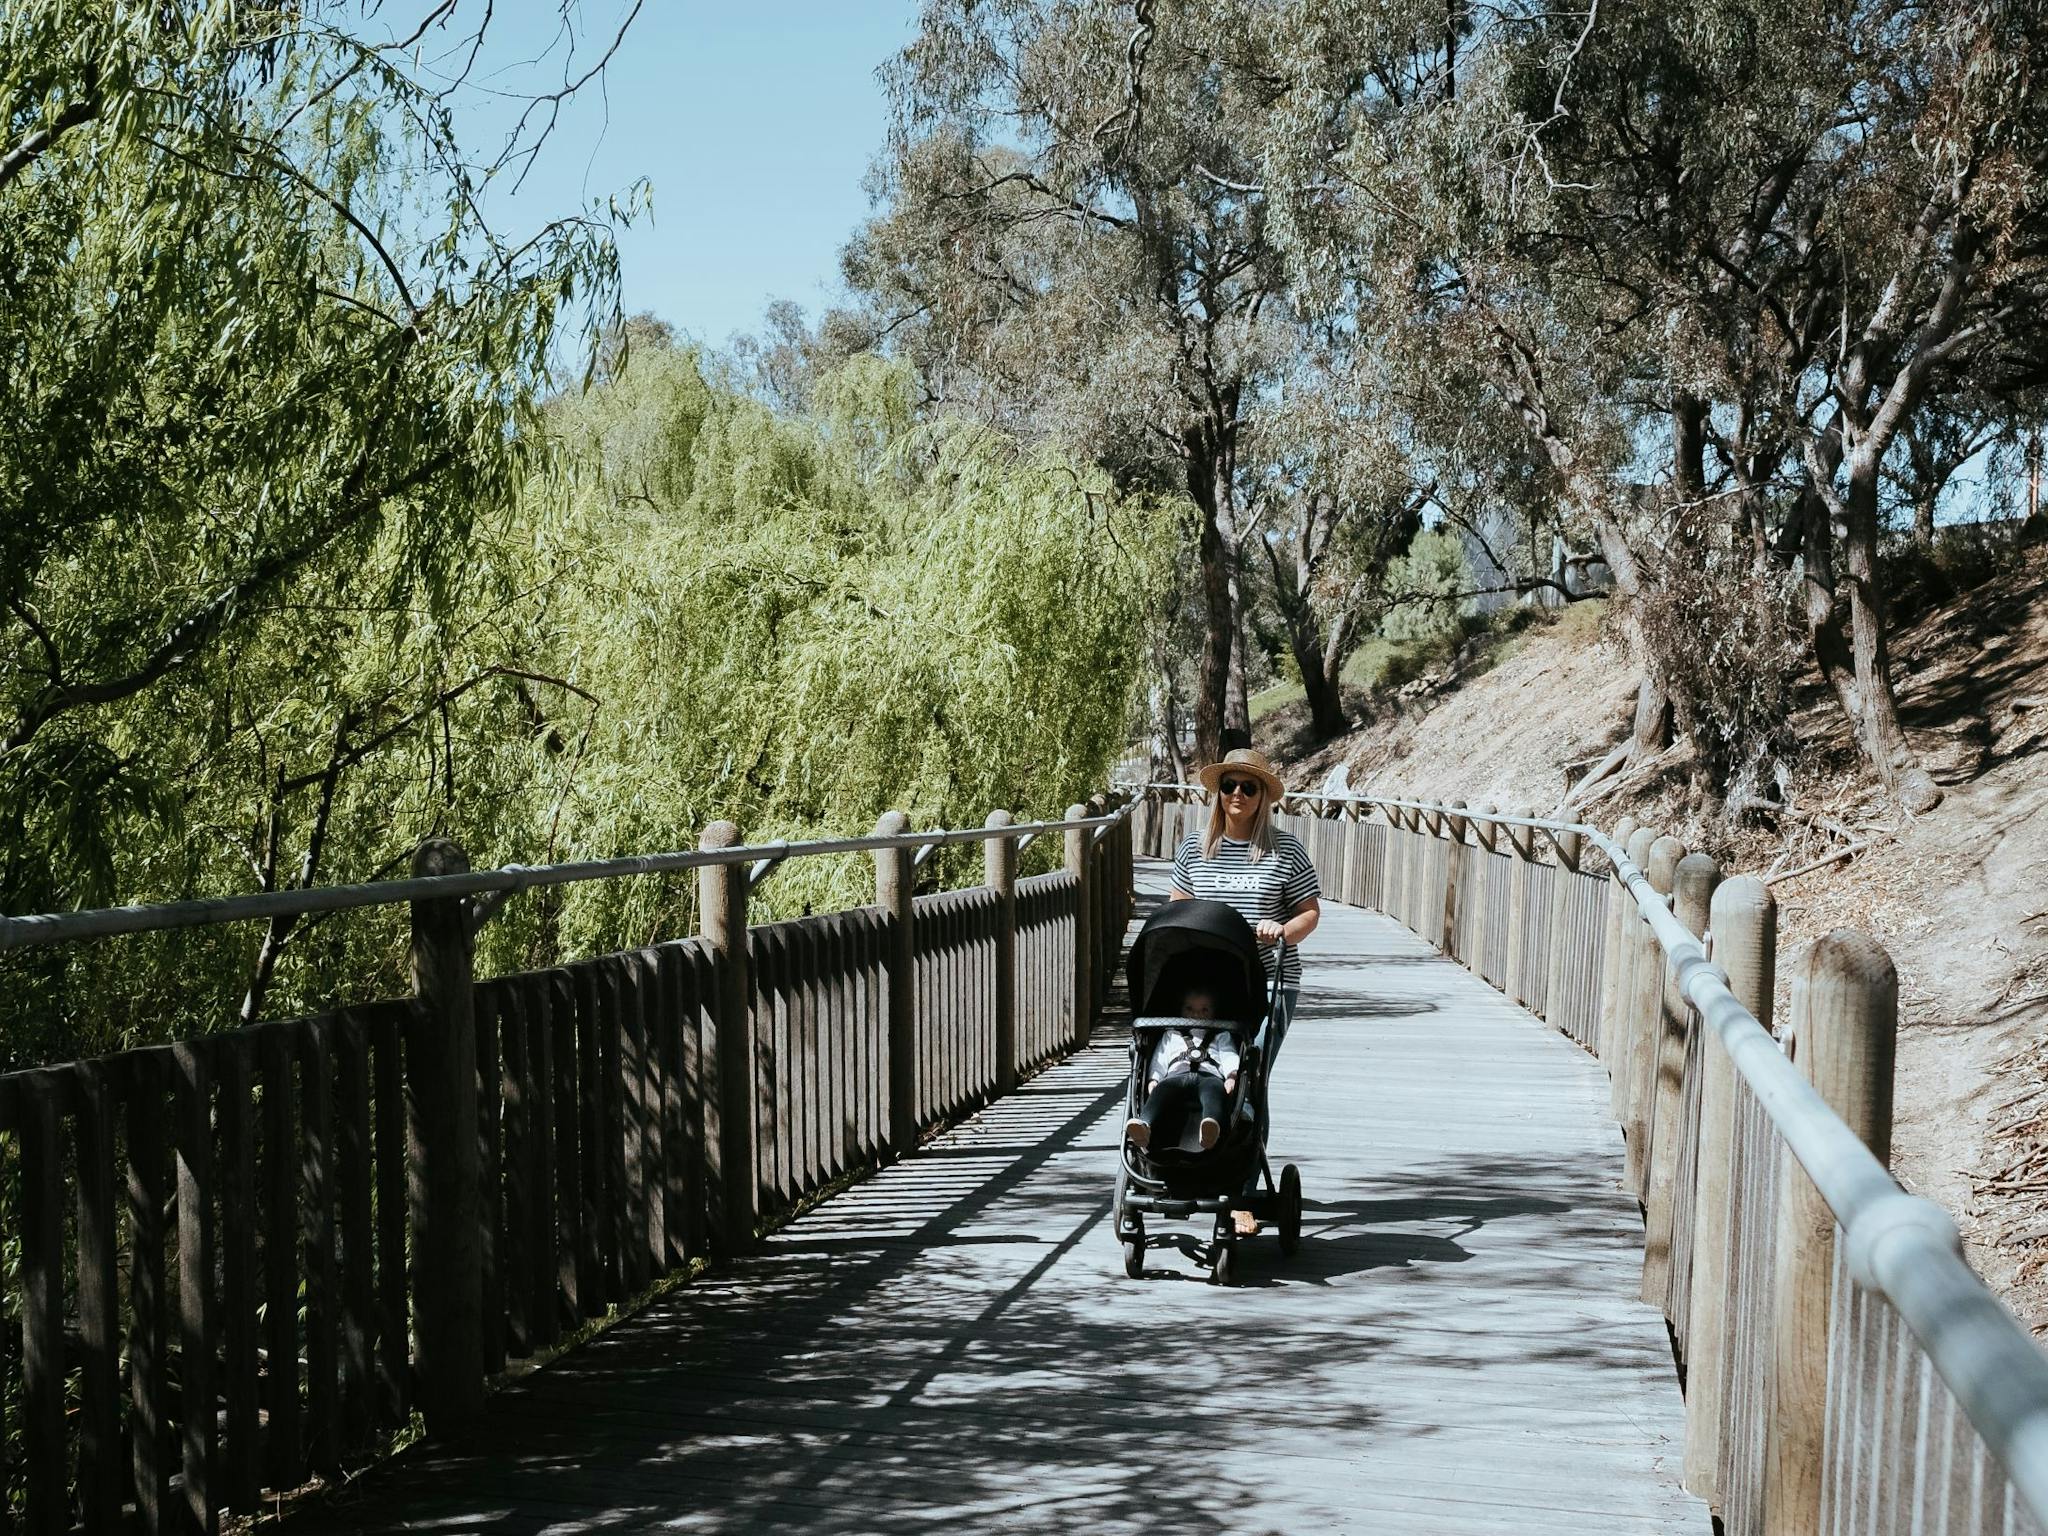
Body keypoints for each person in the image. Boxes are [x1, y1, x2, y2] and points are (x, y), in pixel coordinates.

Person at [1169, 747, 1321, 1231]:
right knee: (1197, 1070)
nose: (1237, 794)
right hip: (1206, 986)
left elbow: (1310, 913)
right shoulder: (1194, 848)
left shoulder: (1284, 849)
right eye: (1229, 785)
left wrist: (1282, 928)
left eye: (1248, 787)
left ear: (1262, 797)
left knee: (1250, 1080)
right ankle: (1186, 1163)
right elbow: (1176, 913)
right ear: (1218, 793)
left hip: (1268, 981)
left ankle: (1240, 1194)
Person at [1125, 985, 1239, 1152]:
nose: (1197, 1014)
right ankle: (1144, 1125)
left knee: (1215, 1092)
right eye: (1190, 1009)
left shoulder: (1221, 1034)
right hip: (1175, 1076)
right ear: (1181, 1010)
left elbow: (1229, 1055)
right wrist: (1154, 1078)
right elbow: (1160, 1059)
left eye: (1204, 1010)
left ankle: (1210, 1126)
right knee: (1161, 1091)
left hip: (1209, 1077)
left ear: (1214, 1013)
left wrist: (1231, 1075)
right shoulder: (1172, 1034)